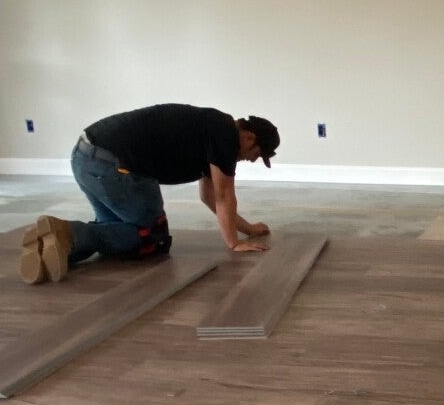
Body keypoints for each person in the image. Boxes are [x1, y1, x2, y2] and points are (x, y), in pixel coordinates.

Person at [21, 104, 280, 284]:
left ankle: (52, 252)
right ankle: (69, 234)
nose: (250, 160)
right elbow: (223, 196)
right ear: (248, 138)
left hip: (85, 157)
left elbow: (209, 196)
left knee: (114, 233)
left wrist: (248, 229)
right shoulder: (225, 136)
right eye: (256, 155)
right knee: (152, 238)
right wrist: (234, 243)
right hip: (115, 165)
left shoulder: (212, 129)